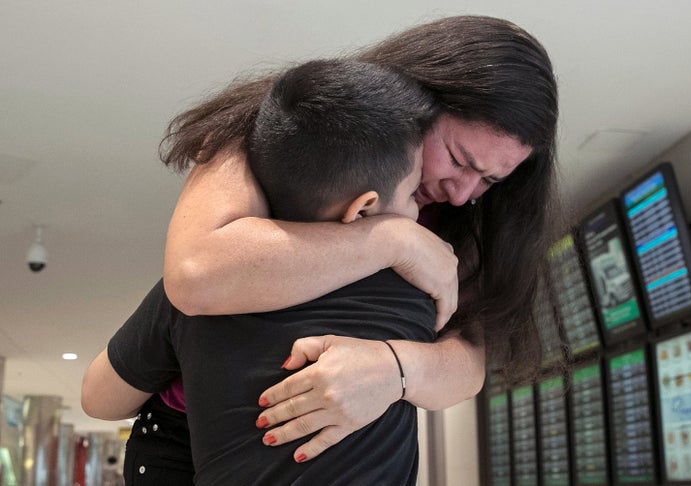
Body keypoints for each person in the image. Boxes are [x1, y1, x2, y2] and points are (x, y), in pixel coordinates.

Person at [158, 14, 559, 463]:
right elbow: (196, 275)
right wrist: (392, 241)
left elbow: (467, 364)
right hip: (185, 438)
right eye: (458, 159)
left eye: (489, 179)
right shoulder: (283, 128)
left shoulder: (467, 222)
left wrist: (395, 369)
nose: (463, 193)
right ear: (416, 98)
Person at [84, 59, 441, 484]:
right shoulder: (415, 287)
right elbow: (465, 370)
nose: (421, 206)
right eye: (414, 190)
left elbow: (99, 399)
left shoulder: (201, 294)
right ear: (362, 207)